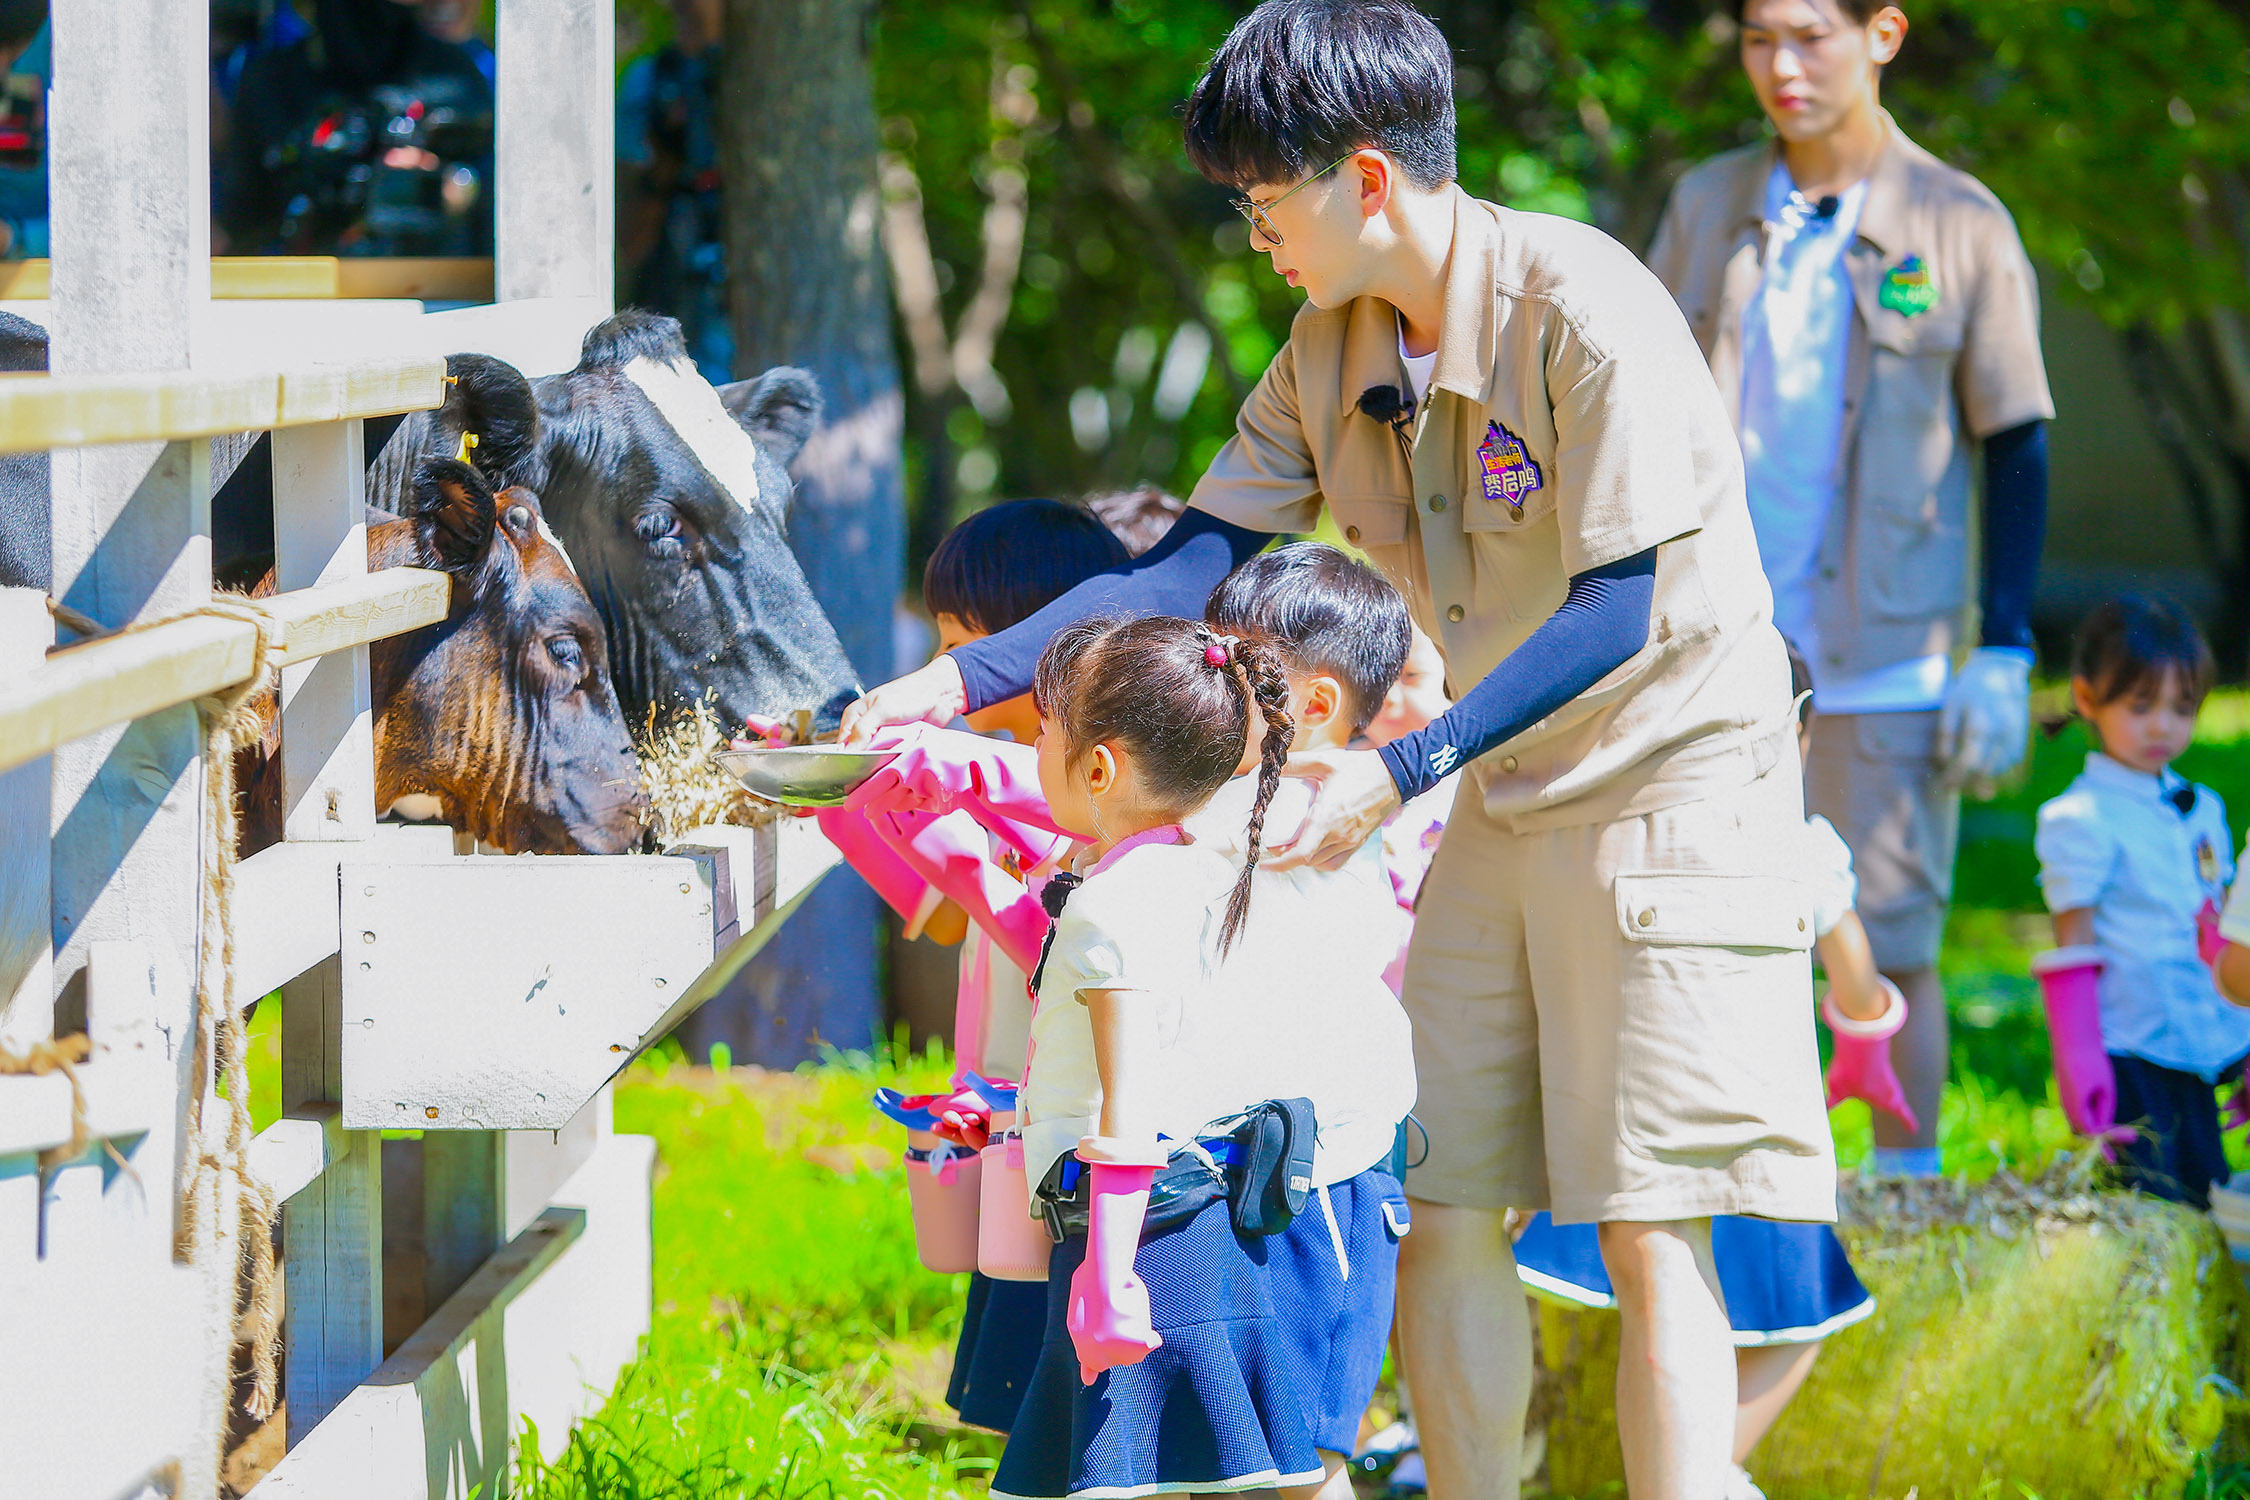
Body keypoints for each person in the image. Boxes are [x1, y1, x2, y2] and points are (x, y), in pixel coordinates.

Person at [843, 4, 1834, 1493]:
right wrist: (957, 683)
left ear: (1367, 179)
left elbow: (1614, 611)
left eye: (1263, 197)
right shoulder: (1329, 349)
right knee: (1436, 1196)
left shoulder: (1586, 310)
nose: (1252, 233)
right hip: (1500, 789)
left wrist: (1395, 771)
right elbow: (1183, 566)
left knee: (1644, 1220)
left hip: (1672, 796)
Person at [1646, 0, 2056, 1178]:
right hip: (1719, 640)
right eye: (1760, 38)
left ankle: (1910, 1201)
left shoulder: (1960, 220)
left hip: (1892, 642)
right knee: (1729, 933)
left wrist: (2009, 645)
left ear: (1883, 32)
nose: (1782, 66)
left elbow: (2016, 436)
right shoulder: (1708, 203)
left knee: (1893, 932)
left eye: (1811, 36)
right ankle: (1756, 1203)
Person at [1510, 644, 1902, 1500]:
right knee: (1800, 1313)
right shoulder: (1803, 844)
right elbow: (1856, 978)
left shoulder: (1624, 821)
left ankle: (1616, 1457)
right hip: (1745, 1115)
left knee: (1640, 1285)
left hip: (1633, 1108)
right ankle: (1709, 1465)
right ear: (1798, 732)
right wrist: (1868, 1037)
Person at [795, 498, 1128, 1435]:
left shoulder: (1093, 791)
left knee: (1071, 1415)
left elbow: (1057, 959)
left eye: (968, 645)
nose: (957, 677)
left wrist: (970, 865)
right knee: (1016, 1410)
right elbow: (941, 919)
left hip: (1066, 1137)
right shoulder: (993, 762)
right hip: (999, 1119)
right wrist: (835, 801)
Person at [983, 615, 1335, 1500]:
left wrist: (1105, 1278)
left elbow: (1126, 1109)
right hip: (1202, 1219)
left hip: (1140, 1241)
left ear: (1097, 769)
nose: (1034, 748)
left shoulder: (1116, 907)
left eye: (1043, 731)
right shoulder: (1206, 875)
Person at [1197, 544, 1420, 1494]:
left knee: (1305, 1460)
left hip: (1322, 1177)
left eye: (1228, 671)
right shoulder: (1248, 796)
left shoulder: (1304, 806)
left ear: (1317, 706)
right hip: (1269, 1158)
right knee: (1255, 1451)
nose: (1202, 691)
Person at [2034, 597, 2248, 1209]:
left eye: (2181, 709)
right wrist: (2079, 1058)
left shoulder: (2204, 807)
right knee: (2152, 1205)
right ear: (2086, 696)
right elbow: (2071, 943)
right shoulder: (2079, 818)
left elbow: (2227, 921)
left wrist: (2243, 1040)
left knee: (2215, 1195)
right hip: (2133, 1046)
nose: (2162, 727)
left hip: (2205, 1037)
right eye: (2141, 706)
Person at [617, 0, 730, 382]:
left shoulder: (752, 77)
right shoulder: (650, 78)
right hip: (666, 255)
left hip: (732, 263)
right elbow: (629, 181)